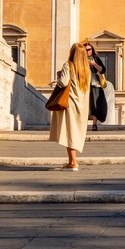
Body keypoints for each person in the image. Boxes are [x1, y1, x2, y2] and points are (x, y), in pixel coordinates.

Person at [48, 42, 91, 170]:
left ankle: (73, 162)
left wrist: (60, 75)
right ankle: (72, 161)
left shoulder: (68, 65)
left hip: (70, 103)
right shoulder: (86, 69)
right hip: (82, 105)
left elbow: (63, 82)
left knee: (70, 132)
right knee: (75, 132)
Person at [84, 43, 107, 131]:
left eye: (89, 49)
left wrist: (93, 64)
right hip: (84, 85)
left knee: (95, 104)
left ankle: (94, 124)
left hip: (95, 85)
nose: (88, 51)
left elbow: (103, 70)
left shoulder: (96, 59)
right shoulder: (80, 59)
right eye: (86, 50)